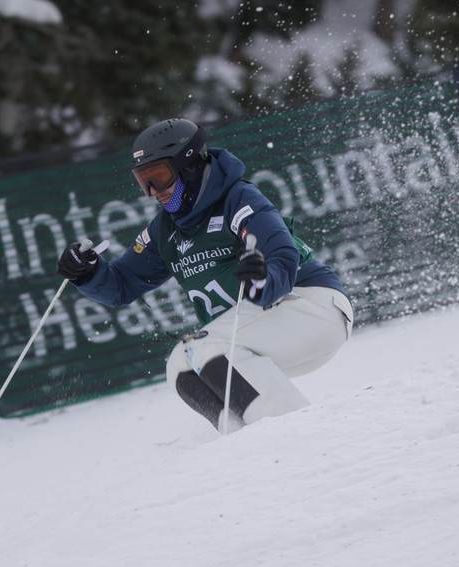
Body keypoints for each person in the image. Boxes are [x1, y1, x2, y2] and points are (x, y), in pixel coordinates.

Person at [57, 118, 353, 433]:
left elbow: (281, 254)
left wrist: (263, 277)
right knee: (180, 366)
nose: (153, 191)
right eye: (144, 181)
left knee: (202, 349)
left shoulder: (237, 199)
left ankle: (293, 432)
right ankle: (241, 438)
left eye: (159, 176)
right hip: (257, 334)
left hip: (312, 307)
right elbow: (122, 285)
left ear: (189, 167)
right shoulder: (166, 230)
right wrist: (87, 273)